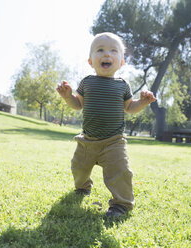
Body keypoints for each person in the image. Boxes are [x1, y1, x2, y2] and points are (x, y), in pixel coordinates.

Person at [56, 32, 156, 218]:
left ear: (122, 62)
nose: (107, 54)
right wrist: (68, 96)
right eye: (100, 50)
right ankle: (83, 187)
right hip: (87, 140)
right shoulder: (87, 82)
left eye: (113, 51)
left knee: (121, 172)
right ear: (90, 61)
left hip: (114, 141)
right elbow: (78, 105)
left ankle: (121, 205)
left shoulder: (123, 85)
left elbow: (130, 108)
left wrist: (142, 103)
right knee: (78, 168)